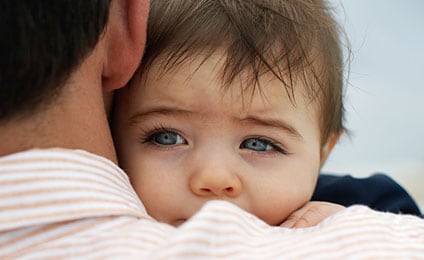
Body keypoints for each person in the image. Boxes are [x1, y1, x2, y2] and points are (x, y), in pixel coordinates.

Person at [0, 0, 422, 258]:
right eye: (166, 137)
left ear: (322, 152)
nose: (213, 178)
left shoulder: (360, 207)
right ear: (114, 133)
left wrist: (349, 221)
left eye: (260, 143)